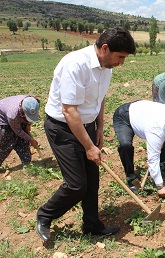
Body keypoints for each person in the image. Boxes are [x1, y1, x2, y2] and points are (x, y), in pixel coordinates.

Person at [36, 27, 136, 243]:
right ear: (105, 48)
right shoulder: (76, 63)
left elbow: (99, 99)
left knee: (92, 180)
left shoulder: (105, 67)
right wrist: (89, 147)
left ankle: (91, 224)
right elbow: (69, 110)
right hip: (63, 127)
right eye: (120, 57)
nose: (121, 63)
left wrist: (99, 128)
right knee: (76, 184)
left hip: (88, 125)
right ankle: (45, 215)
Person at [113, 100, 165, 197]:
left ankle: (161, 163)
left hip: (142, 112)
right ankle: (130, 177)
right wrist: (160, 186)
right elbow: (153, 159)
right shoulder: (155, 131)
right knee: (125, 145)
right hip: (124, 116)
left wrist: (162, 140)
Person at [0, 95, 40, 167]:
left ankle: (27, 163)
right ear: (22, 110)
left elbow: (31, 115)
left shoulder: (33, 102)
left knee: (23, 141)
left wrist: (28, 124)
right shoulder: (12, 114)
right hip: (3, 120)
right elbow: (18, 131)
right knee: (6, 144)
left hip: (17, 117)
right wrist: (31, 140)